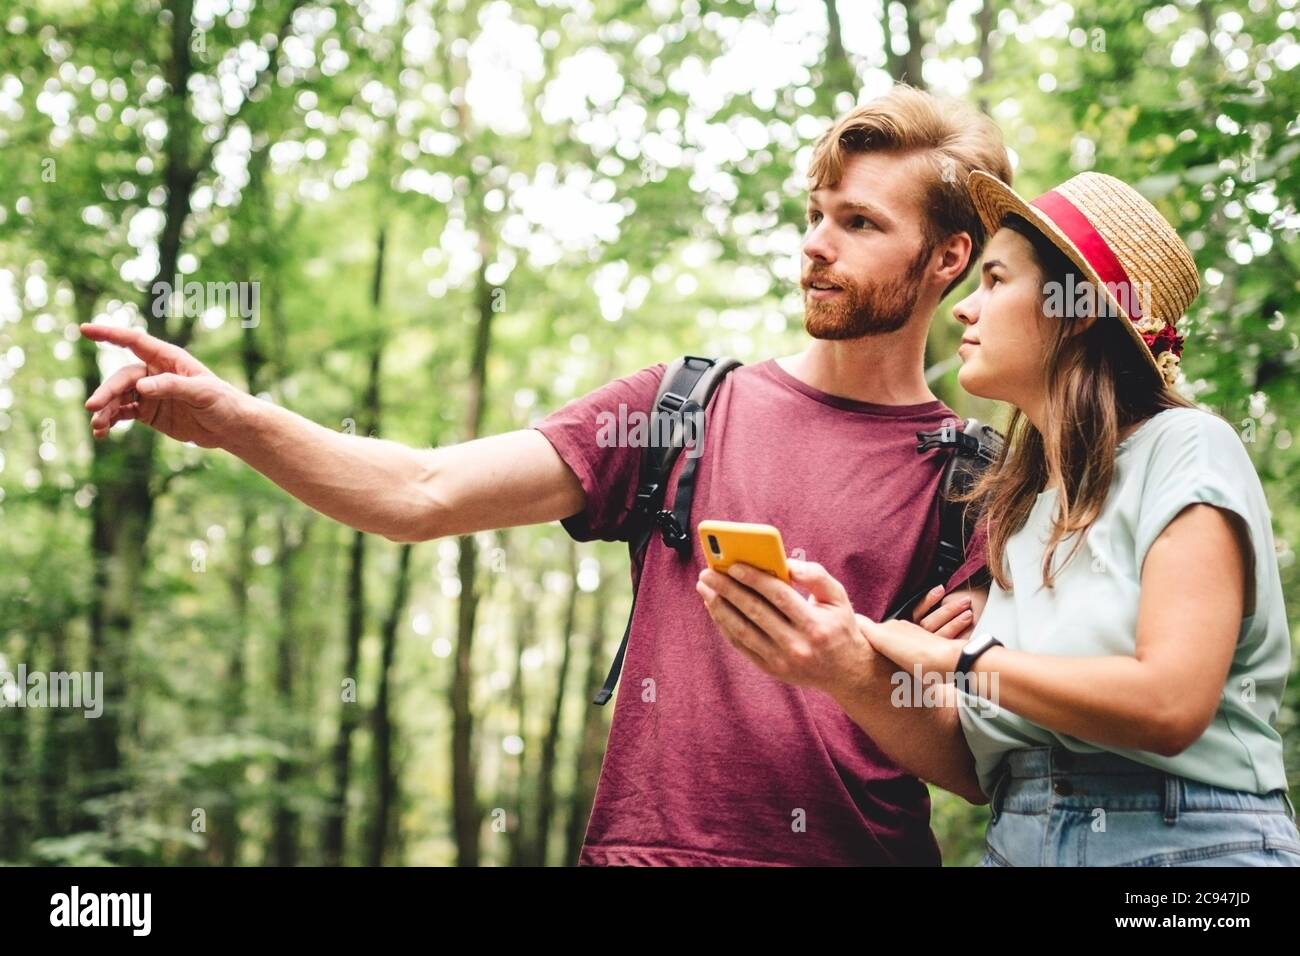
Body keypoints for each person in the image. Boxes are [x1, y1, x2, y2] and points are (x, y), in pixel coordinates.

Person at [81, 84, 1010, 865]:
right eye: (815, 215)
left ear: (947, 258)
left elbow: (973, 763)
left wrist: (853, 668)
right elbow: (420, 492)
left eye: (858, 223)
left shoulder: (984, 480)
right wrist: (235, 419)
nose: (815, 245)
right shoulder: (678, 406)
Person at [699, 167, 1300, 866]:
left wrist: (957, 660)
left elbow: (1168, 705)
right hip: (1016, 839)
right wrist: (846, 660)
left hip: (1189, 846)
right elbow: (973, 767)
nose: (964, 308)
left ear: (1076, 307)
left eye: (994, 280)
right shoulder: (1017, 507)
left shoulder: (1187, 447)